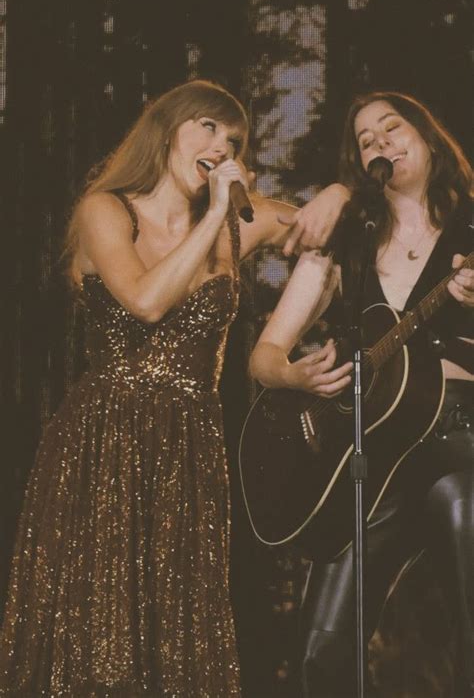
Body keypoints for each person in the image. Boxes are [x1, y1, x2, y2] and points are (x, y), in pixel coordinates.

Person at [0, 79, 349, 696]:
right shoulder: (106, 209)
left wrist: (339, 195)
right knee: (98, 626)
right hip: (101, 442)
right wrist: (216, 212)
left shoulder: (241, 220)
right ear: (167, 132)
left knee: (178, 629)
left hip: (189, 443)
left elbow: (333, 237)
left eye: (235, 137)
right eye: (208, 127)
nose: (224, 143)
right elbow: (145, 301)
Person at [249, 91, 474, 697]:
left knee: (463, 506)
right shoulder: (347, 240)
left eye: (392, 128)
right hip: (369, 459)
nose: (380, 144)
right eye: (365, 140)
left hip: (461, 439)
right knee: (322, 655)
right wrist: (297, 376)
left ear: (427, 136)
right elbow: (265, 355)